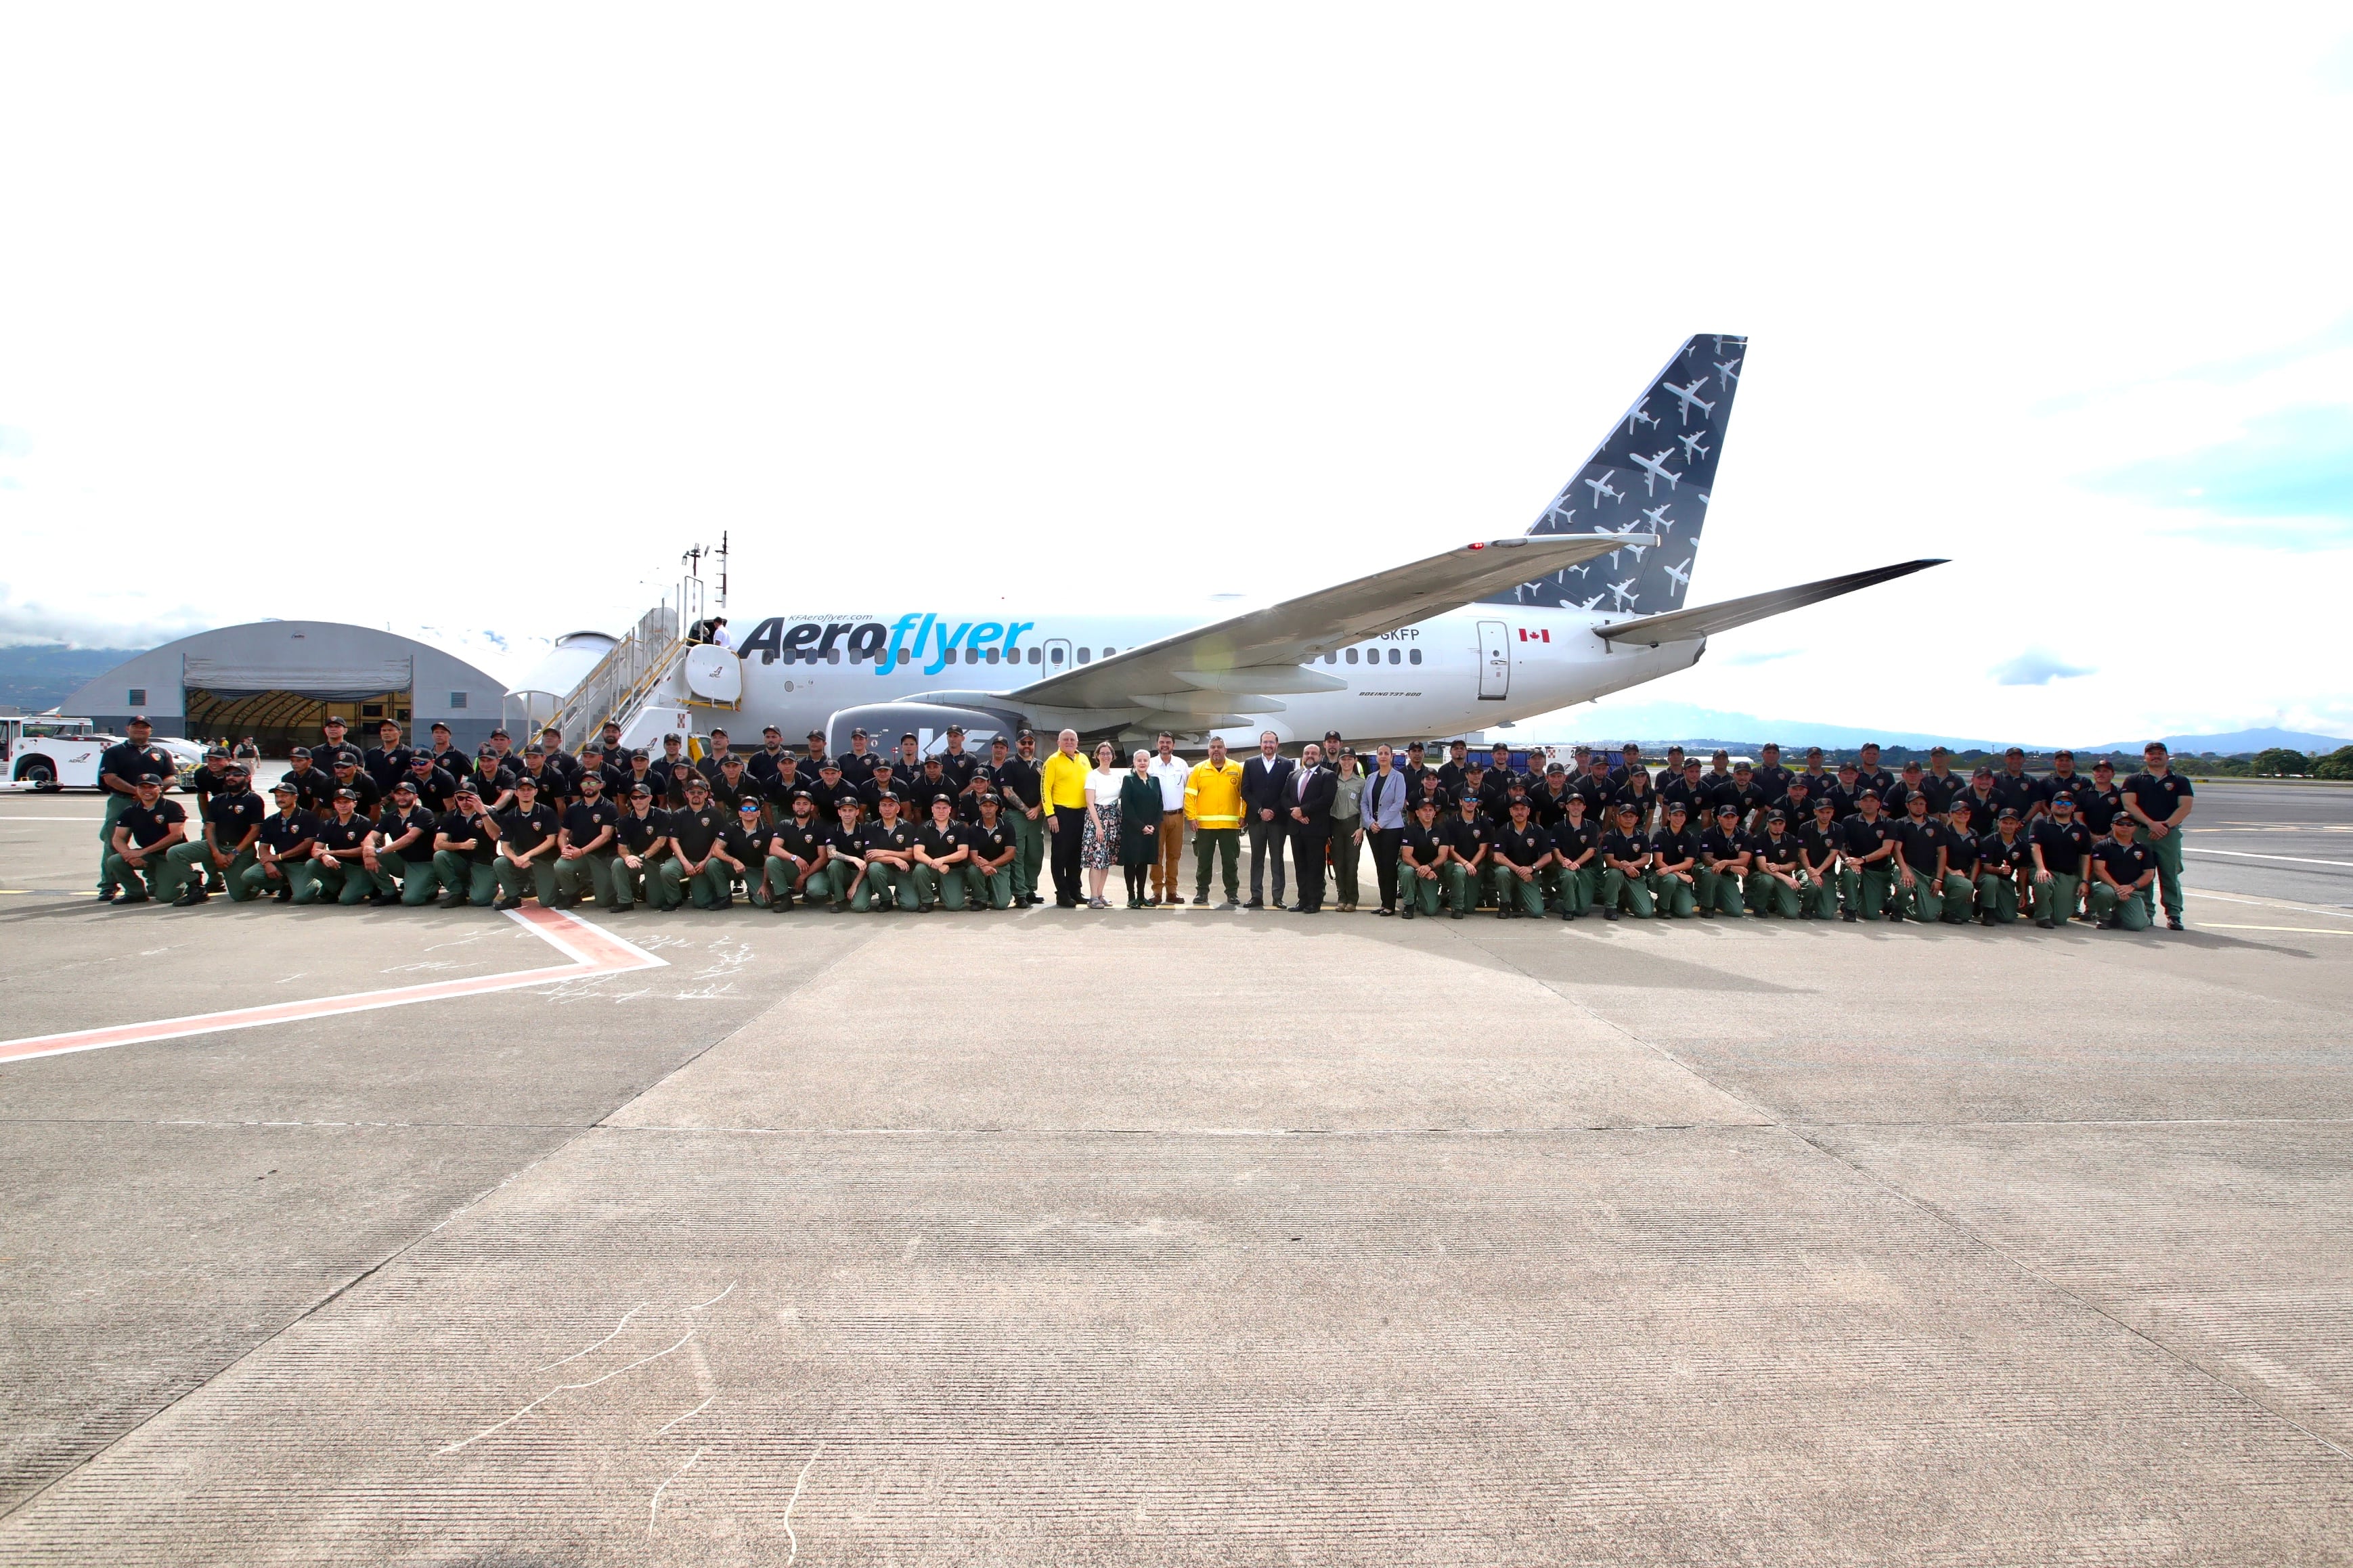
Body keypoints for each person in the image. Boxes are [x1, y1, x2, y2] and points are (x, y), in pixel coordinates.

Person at [95, 717, 177, 899]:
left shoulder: (161, 753)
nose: (140, 730)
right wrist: (138, 792)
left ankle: (156, 882)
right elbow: (110, 777)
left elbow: (172, 776)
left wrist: (156, 790)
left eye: (144, 727)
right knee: (113, 841)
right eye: (136, 726)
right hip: (123, 800)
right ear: (127, 729)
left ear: (151, 731)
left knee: (156, 840)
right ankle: (109, 885)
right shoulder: (115, 752)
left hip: (154, 803)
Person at [168, 763, 264, 905]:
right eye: (228, 775)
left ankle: (256, 875)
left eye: (237, 775)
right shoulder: (218, 800)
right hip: (218, 846)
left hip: (240, 850)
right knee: (175, 853)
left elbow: (255, 831)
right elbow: (209, 827)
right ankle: (196, 889)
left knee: (239, 896)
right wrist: (216, 853)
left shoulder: (254, 800)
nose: (231, 777)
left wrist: (233, 854)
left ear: (248, 778)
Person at [2124, 742, 2193, 930]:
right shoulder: (2134, 780)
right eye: (2151, 753)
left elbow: (2185, 807)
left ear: (2167, 756)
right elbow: (2129, 805)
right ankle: (2146, 912)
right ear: (2145, 757)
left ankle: (2174, 913)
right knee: (2142, 873)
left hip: (2168, 833)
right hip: (2141, 832)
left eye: (2160, 753)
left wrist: (2165, 826)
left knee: (2170, 873)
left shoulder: (2180, 781)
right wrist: (2151, 824)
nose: (2156, 756)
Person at [660, 777, 745, 910]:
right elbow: (673, 841)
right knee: (667, 871)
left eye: (700, 792)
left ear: (706, 794)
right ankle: (675, 900)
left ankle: (707, 888)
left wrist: (705, 862)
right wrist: (685, 863)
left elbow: (718, 841)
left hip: (705, 861)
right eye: (692, 792)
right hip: (685, 860)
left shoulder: (715, 814)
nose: (696, 796)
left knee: (701, 903)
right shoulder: (678, 815)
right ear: (686, 794)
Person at [103, 773, 187, 905]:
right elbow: (118, 838)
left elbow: (176, 835)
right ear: (137, 789)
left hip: (170, 857)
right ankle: (135, 893)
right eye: (142, 787)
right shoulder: (130, 811)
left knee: (166, 897)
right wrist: (129, 856)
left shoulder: (172, 807)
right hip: (150, 855)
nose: (147, 791)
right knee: (115, 860)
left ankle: (187, 882)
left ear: (160, 788)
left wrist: (142, 852)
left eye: (151, 787)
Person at [1184, 736, 1245, 910]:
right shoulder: (1199, 769)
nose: (1216, 750)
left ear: (1226, 750)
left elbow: (1245, 795)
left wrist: (1243, 815)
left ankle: (1232, 893)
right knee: (1204, 862)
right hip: (1205, 826)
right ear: (1208, 750)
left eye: (1219, 747)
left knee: (1230, 861)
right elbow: (1190, 795)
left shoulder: (1237, 769)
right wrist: (1192, 816)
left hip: (1230, 826)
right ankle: (1202, 892)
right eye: (1213, 747)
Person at [1240, 731, 1295, 910]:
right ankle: (1256, 895)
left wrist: (1273, 810)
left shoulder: (1287, 765)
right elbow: (1245, 791)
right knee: (1257, 859)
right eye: (1265, 742)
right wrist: (1260, 810)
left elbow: (1287, 792)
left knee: (1277, 859)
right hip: (1257, 819)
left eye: (1271, 742)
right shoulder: (1250, 763)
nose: (1268, 745)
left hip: (1278, 820)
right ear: (1260, 744)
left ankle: (1278, 897)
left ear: (1277, 744)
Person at [554, 767, 621, 910]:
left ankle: (600, 885)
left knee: (603, 902)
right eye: (585, 783)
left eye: (592, 783)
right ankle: (572, 894)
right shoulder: (573, 808)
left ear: (601, 785)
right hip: (580, 854)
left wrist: (582, 852)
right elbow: (563, 834)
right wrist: (564, 848)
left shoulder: (609, 807)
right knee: (561, 865)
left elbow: (606, 837)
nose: (588, 786)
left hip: (601, 857)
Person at [491, 776, 561, 910]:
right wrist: (516, 859)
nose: (526, 792)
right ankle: (513, 897)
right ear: (516, 793)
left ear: (535, 791)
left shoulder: (546, 812)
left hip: (545, 860)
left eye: (529, 789)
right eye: (522, 790)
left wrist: (526, 856)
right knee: (500, 863)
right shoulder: (510, 816)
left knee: (547, 901)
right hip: (522, 859)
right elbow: (505, 845)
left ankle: (559, 886)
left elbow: (551, 840)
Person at [370, 778, 443, 906]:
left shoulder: (424, 814)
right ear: (394, 796)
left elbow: (409, 838)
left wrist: (379, 850)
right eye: (399, 794)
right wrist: (367, 849)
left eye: (406, 794)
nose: (402, 797)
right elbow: (371, 836)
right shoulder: (389, 816)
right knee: (371, 854)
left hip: (423, 863)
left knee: (411, 900)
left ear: (415, 796)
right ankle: (389, 893)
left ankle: (432, 887)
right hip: (402, 860)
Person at [1039, 729, 1091, 908]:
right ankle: (1062, 893)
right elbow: (1045, 789)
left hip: (1082, 814)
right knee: (1061, 855)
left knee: (1077, 856)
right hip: (1061, 814)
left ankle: (1075, 891)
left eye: (1073, 739)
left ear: (1077, 742)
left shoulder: (1084, 759)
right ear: (1059, 742)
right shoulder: (1052, 761)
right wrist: (1050, 815)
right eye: (1065, 739)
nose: (1069, 742)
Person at [249, 781, 323, 903]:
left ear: (295, 797)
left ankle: (317, 882)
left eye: (284, 796)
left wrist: (279, 857)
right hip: (280, 863)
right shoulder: (271, 820)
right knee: (249, 876)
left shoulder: (308, 817)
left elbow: (308, 843)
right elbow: (263, 846)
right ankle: (285, 885)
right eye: (277, 796)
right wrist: (268, 864)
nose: (280, 799)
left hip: (300, 864)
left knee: (301, 898)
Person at [1285, 742, 1337, 914]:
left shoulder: (1327, 776)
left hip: (1316, 829)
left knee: (1315, 866)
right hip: (1296, 828)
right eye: (1307, 753)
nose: (1310, 756)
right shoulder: (1294, 774)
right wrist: (1295, 813)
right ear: (1303, 756)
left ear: (1320, 757)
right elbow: (1285, 797)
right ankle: (1303, 899)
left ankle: (1315, 901)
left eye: (1314, 753)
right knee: (1300, 866)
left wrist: (1303, 810)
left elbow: (1326, 799)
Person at [994, 732, 1045, 907]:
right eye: (1023, 743)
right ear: (1017, 744)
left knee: (1035, 854)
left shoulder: (1040, 765)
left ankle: (1030, 889)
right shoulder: (1010, 764)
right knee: (1018, 854)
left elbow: (1045, 791)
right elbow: (1007, 791)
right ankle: (1020, 893)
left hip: (1036, 816)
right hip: (1016, 816)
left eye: (1030, 742)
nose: (1027, 746)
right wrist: (1026, 810)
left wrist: (1037, 809)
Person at [2029, 793, 2094, 929]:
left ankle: (2036, 907)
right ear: (2052, 805)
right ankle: (2042, 916)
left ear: (2074, 808)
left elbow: (2086, 857)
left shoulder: (2081, 829)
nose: (2063, 805)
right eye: (2059, 802)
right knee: (2043, 881)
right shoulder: (2040, 823)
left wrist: (2084, 881)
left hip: (2067, 875)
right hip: (2046, 870)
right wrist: (2041, 868)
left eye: (2068, 803)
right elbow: (2035, 847)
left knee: (2060, 919)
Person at [431, 786, 501, 908]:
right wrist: (462, 845)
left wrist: (483, 813)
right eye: (460, 798)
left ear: (477, 798)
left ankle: (479, 884)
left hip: (484, 862)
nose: (464, 802)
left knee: (481, 900)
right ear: (456, 799)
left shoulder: (489, 813)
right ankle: (457, 894)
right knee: (440, 856)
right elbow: (438, 844)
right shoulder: (449, 817)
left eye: (469, 798)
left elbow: (496, 836)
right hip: (461, 860)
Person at [1359, 744, 1408, 916]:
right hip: (1373, 828)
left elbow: (1398, 803)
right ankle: (1383, 902)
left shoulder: (1398, 777)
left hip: (1391, 828)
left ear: (1392, 756)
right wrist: (1370, 822)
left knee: (1389, 866)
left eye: (1386, 753)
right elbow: (1364, 803)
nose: (1383, 756)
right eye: (1380, 754)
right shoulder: (1371, 778)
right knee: (1380, 866)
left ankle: (1390, 904)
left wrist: (1381, 822)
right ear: (1376, 757)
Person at [307, 788, 377, 905]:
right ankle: (337, 890)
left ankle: (369, 887)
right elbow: (315, 849)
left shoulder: (363, 823)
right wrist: (324, 856)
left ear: (354, 804)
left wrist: (332, 853)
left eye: (346, 802)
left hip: (358, 867)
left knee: (347, 900)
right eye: (339, 802)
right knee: (312, 864)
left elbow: (363, 850)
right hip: (339, 866)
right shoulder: (328, 824)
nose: (342, 806)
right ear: (334, 805)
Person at [763, 790, 831, 911]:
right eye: (798, 804)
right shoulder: (785, 824)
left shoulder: (820, 827)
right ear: (793, 806)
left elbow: (823, 857)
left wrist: (804, 876)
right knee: (772, 861)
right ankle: (785, 898)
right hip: (794, 867)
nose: (801, 807)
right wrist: (795, 858)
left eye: (805, 804)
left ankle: (811, 892)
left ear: (812, 807)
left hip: (814, 870)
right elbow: (774, 848)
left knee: (817, 892)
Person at [2088, 814, 2158, 931]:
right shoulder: (2102, 846)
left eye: (2129, 824)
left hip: (2130, 890)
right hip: (2108, 887)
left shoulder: (2143, 849)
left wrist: (2132, 887)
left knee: (2137, 926)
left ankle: (2118, 916)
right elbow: (2099, 870)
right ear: (2112, 826)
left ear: (2135, 828)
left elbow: (2149, 873)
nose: (2125, 826)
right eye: (2120, 824)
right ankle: (2104, 917)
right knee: (2104, 893)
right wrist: (2118, 888)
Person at [1889, 789, 1949, 922]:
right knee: (1905, 887)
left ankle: (1911, 907)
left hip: (1927, 873)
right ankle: (1897, 907)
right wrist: (1905, 871)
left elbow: (1942, 852)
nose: (1919, 807)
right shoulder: (1900, 824)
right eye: (1915, 804)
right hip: (1908, 868)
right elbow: (1896, 850)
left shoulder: (1936, 824)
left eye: (1922, 804)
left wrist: (1939, 879)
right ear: (1907, 806)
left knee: (1927, 917)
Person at [1837, 790, 1897, 922]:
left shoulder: (1889, 823)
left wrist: (1862, 860)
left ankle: (1879, 898)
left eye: (1872, 801)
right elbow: (1840, 845)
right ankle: (1850, 908)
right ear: (1859, 804)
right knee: (1849, 874)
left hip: (1877, 869)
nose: (1868, 804)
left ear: (1879, 804)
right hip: (1854, 866)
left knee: (1871, 914)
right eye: (1865, 801)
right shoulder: (1849, 821)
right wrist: (1847, 859)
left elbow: (1887, 849)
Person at [612, 783, 674, 910]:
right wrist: (627, 858)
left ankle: (647, 886)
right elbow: (622, 846)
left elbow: (661, 841)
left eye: (642, 797)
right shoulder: (624, 821)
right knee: (618, 863)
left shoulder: (662, 816)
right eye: (634, 798)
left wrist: (643, 856)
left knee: (656, 903)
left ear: (650, 798)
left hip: (656, 861)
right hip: (637, 860)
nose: (638, 800)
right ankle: (625, 901)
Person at [1146, 733, 1191, 904]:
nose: (1165, 745)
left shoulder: (1181, 764)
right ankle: (1157, 891)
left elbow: (1188, 788)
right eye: (1162, 742)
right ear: (1157, 744)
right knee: (1156, 855)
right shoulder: (1150, 764)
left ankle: (1172, 891)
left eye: (1168, 743)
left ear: (1174, 745)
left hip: (1177, 816)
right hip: (1156, 818)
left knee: (1174, 855)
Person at [1489, 794, 1550, 918]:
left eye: (1523, 809)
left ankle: (1518, 899)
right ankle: (1504, 904)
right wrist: (1519, 870)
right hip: (1511, 873)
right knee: (1502, 872)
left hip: (1529, 874)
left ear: (1528, 811)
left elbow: (1548, 856)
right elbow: (1498, 857)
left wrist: (1531, 868)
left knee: (1537, 912)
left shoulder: (1538, 830)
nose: (1519, 812)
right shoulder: (1503, 830)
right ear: (1511, 812)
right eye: (1516, 809)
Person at [856, 792, 919, 912]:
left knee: (911, 906)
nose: (887, 809)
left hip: (904, 872)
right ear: (879, 809)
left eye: (891, 805)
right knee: (874, 868)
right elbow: (871, 856)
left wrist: (883, 852)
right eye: (884, 805)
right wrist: (895, 859)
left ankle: (900, 893)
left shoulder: (908, 827)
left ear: (898, 808)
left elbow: (910, 855)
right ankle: (886, 899)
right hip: (883, 871)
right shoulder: (871, 828)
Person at [1117, 748, 1163, 909]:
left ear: (1149, 763)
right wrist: (1141, 826)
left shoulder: (1155, 781)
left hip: (1150, 830)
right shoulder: (1128, 780)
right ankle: (1131, 897)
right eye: (1139, 760)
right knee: (1132, 862)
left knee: (1143, 862)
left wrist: (1154, 826)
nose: (1142, 763)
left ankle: (1142, 896)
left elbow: (1159, 806)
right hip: (1133, 830)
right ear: (1134, 763)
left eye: (1145, 760)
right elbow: (1127, 808)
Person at [912, 794, 973, 912]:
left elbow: (963, 853)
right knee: (920, 869)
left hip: (952, 869)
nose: (941, 811)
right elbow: (918, 853)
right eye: (938, 808)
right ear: (932, 809)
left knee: (954, 906)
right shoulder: (923, 828)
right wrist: (934, 863)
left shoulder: (959, 828)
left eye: (945, 808)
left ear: (950, 810)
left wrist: (942, 860)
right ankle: (927, 901)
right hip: (932, 868)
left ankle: (943, 891)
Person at [1597, 802, 1654, 920]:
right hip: (1617, 877)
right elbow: (1609, 861)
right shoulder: (1610, 836)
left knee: (1645, 913)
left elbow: (1646, 859)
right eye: (1625, 816)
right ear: (1618, 818)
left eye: (1631, 816)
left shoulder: (1642, 836)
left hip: (1636, 877)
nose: (1628, 819)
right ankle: (1611, 907)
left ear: (1636, 819)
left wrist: (1630, 865)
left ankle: (1626, 900)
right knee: (1614, 873)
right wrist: (1624, 867)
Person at [1975, 807, 2032, 926]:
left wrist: (2022, 893)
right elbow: (1986, 867)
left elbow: (2022, 871)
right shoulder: (1989, 841)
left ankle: (1985, 900)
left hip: (2005, 881)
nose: (2008, 826)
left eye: (2012, 823)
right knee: (1992, 880)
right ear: (1998, 823)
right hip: (1987, 877)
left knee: (2007, 917)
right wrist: (1999, 870)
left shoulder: (2023, 845)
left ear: (2017, 825)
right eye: (2005, 822)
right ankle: (1988, 912)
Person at [1548, 793, 1600, 920]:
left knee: (1583, 910)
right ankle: (1568, 910)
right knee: (1569, 876)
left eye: (1579, 804)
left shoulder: (1592, 826)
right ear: (1567, 807)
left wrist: (1576, 863)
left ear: (1584, 808)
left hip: (1586, 869)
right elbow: (1555, 849)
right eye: (1572, 804)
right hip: (1566, 868)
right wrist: (1564, 861)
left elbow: (1591, 850)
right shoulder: (1558, 827)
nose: (1575, 807)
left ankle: (1557, 903)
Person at [1696, 802, 1751, 918]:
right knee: (1712, 873)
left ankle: (1717, 898)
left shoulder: (1744, 836)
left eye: (1732, 817)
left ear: (1737, 819)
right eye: (1726, 817)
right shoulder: (1708, 833)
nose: (1729, 820)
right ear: (1719, 818)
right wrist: (1730, 867)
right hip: (1707, 870)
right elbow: (1706, 859)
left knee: (1736, 912)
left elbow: (1744, 861)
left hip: (1726, 875)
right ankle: (1706, 906)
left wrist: (1725, 863)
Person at [1441, 792, 1491, 919]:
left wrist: (1471, 865)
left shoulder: (1483, 822)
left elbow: (1483, 849)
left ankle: (1451, 896)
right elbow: (1451, 850)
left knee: (1469, 908)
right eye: (1467, 799)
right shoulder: (1452, 822)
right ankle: (1457, 907)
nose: (1470, 802)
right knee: (1459, 872)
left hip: (1475, 866)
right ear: (1460, 801)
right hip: (1455, 864)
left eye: (1474, 799)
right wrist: (1465, 864)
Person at [1746, 811, 1805, 918]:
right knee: (1768, 880)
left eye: (1780, 824)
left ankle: (1772, 902)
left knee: (1791, 913)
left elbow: (1793, 864)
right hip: (1761, 876)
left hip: (1781, 878)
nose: (1778, 827)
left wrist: (1779, 867)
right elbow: (1762, 867)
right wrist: (1785, 878)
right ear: (1768, 823)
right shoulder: (1759, 839)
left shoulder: (1791, 840)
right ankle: (1759, 907)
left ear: (1784, 824)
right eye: (1774, 823)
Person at [1648, 799, 1700, 918]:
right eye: (1675, 815)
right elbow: (1658, 862)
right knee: (1671, 879)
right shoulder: (1660, 835)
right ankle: (1663, 907)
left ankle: (1679, 899)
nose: (1678, 818)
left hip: (1677, 875)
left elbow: (1688, 863)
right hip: (1659, 875)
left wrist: (1672, 870)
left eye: (1682, 815)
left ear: (1685, 817)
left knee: (1685, 912)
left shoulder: (1690, 838)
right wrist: (1678, 874)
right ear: (1669, 816)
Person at [965, 793, 1019, 910]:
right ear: (980, 808)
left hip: (999, 867)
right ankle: (980, 899)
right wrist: (983, 866)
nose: (988, 809)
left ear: (996, 808)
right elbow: (973, 855)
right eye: (985, 806)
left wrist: (990, 864)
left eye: (991, 806)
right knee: (973, 871)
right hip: (980, 867)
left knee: (1002, 905)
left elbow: (1010, 853)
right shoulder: (973, 829)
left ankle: (994, 889)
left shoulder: (1007, 827)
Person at [1327, 750, 1365, 912]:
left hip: (1353, 826)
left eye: (1350, 759)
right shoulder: (1332, 781)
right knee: (1338, 863)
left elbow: (1365, 807)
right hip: (1335, 825)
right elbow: (1327, 805)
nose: (1347, 762)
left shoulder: (1361, 783)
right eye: (1344, 759)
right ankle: (1341, 897)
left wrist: (1361, 828)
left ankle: (1352, 899)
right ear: (1340, 761)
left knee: (1352, 864)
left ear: (1355, 761)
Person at [1795, 797, 1845, 920]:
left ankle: (1818, 901)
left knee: (1826, 915)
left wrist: (1819, 871)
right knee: (1811, 886)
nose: (1825, 816)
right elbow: (1802, 852)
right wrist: (1811, 871)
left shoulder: (1838, 829)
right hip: (1807, 869)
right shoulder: (1805, 827)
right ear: (1815, 812)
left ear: (1833, 812)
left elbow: (1834, 854)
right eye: (1821, 812)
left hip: (1826, 872)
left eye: (1828, 812)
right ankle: (1806, 907)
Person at [1398, 796, 1447, 919]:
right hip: (1413, 866)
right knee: (1407, 871)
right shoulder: (1410, 830)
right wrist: (1422, 869)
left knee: (1430, 911)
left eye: (1431, 810)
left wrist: (1429, 868)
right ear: (1417, 813)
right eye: (1424, 810)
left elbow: (1443, 856)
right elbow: (1406, 856)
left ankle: (1430, 898)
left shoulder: (1441, 831)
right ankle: (1409, 905)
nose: (1428, 813)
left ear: (1435, 813)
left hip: (1432, 869)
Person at [819, 799, 869, 912]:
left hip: (861, 874)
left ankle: (860, 890)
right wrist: (853, 859)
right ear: (839, 813)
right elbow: (831, 853)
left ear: (857, 812)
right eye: (844, 810)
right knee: (834, 864)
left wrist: (854, 886)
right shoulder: (832, 830)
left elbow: (867, 861)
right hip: (843, 872)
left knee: (860, 907)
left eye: (850, 810)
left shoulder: (865, 830)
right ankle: (839, 899)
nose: (847, 814)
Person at [1934, 801, 1980, 924]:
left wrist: (1972, 884)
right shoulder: (1944, 832)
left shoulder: (1974, 834)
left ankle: (1940, 902)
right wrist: (1951, 871)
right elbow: (1938, 855)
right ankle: (1945, 911)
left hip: (1965, 877)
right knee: (1965, 886)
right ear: (1951, 814)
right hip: (1947, 873)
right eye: (1958, 812)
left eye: (1966, 812)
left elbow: (1977, 861)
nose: (1963, 814)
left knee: (1965, 916)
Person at [728, 801, 774, 905]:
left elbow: (768, 860)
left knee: (764, 903)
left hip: (755, 870)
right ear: (740, 813)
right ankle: (723, 896)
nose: (748, 811)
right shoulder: (730, 827)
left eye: (753, 809)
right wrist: (734, 861)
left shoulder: (767, 831)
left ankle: (755, 891)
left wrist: (765, 884)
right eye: (745, 809)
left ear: (758, 813)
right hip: (734, 867)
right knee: (714, 863)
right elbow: (717, 850)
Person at [364, 719, 413, 795]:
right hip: (375, 797)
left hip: (398, 797)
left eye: (390, 730)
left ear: (400, 733)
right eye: (384, 730)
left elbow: (408, 779)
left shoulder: (407, 752)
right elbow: (367, 776)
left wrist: (391, 796)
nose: (386, 733)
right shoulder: (372, 752)